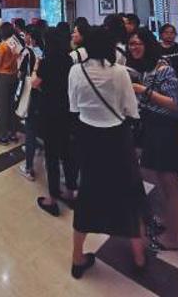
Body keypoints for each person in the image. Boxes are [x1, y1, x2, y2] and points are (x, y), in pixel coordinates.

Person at [68, 26, 146, 278]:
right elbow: (131, 110)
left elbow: (74, 107)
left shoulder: (76, 71)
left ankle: (77, 257)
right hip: (117, 138)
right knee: (129, 191)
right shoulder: (120, 72)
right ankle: (138, 256)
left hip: (88, 137)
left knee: (88, 193)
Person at [127, 28, 178, 250]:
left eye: (138, 43)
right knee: (163, 184)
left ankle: (173, 238)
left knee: (171, 185)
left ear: (148, 45)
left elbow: (177, 105)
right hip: (154, 129)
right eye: (131, 44)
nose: (134, 48)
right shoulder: (148, 69)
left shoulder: (164, 69)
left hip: (167, 132)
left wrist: (144, 91)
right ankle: (169, 223)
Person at [34, 28, 78, 216]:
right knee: (68, 153)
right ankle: (71, 192)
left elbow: (35, 83)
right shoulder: (69, 60)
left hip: (49, 111)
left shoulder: (45, 62)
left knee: (51, 155)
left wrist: (36, 68)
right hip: (67, 109)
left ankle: (52, 198)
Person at [18, 25, 44, 181]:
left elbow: (21, 73)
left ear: (30, 37)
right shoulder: (44, 51)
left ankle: (28, 168)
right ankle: (39, 147)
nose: (24, 37)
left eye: (26, 34)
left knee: (30, 129)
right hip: (44, 96)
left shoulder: (27, 53)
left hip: (31, 93)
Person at [0, 22, 19, 144]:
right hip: (14, 76)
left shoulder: (2, 46)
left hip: (3, 76)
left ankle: (3, 135)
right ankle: (13, 133)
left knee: (1, 106)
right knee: (11, 105)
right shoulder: (15, 43)